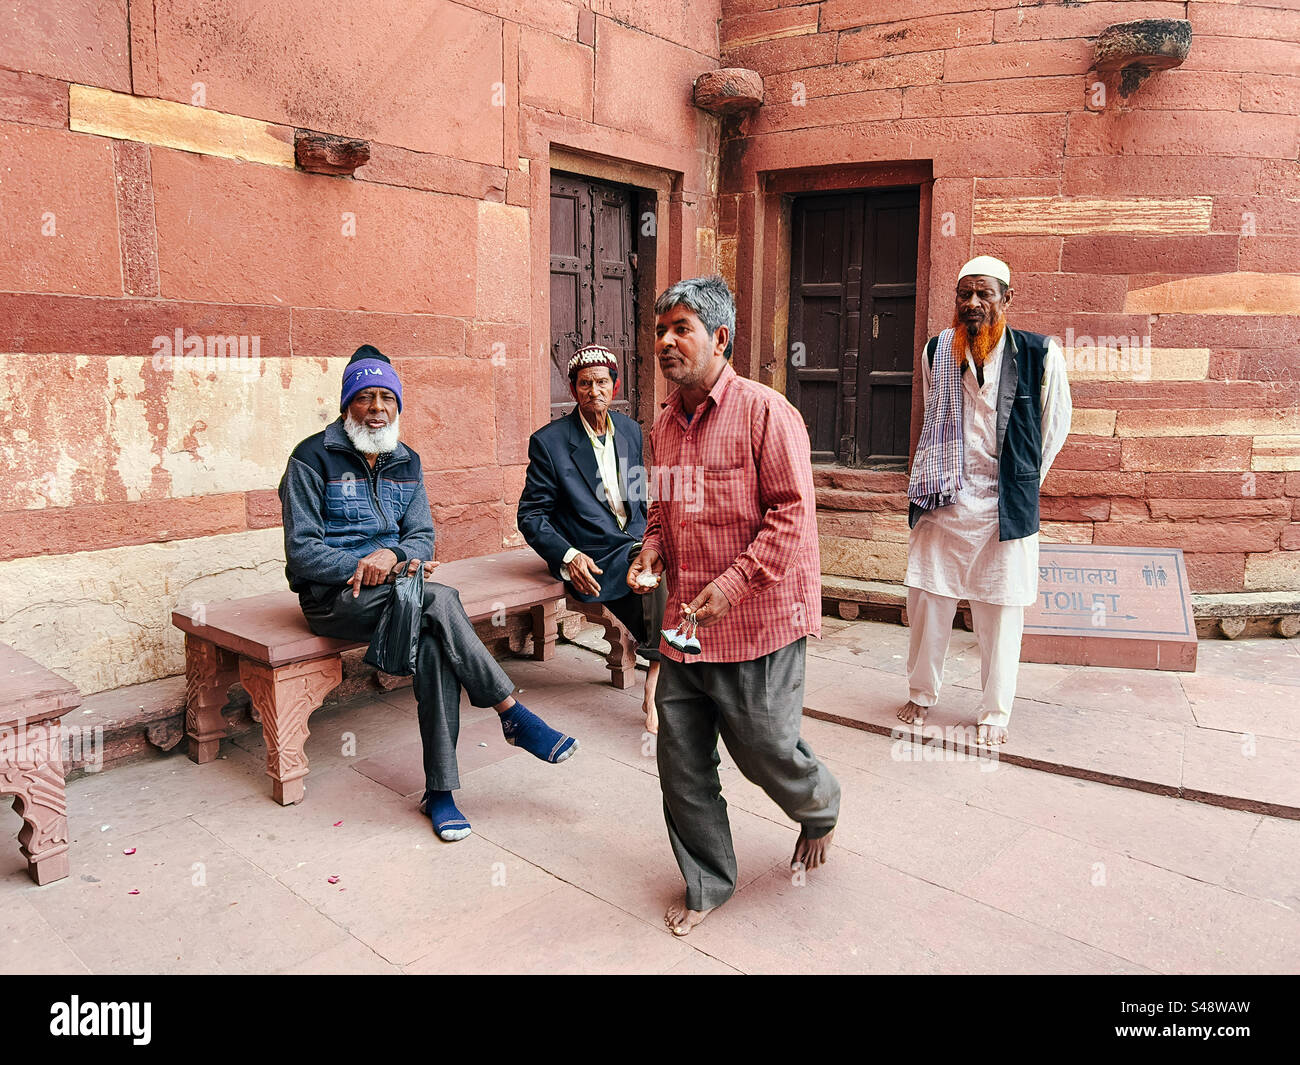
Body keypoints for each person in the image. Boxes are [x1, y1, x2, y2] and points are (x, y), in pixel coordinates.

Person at [278, 345, 578, 842]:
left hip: (401, 590)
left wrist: (393, 557)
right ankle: (512, 714)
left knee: (436, 641)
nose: (377, 408)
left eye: (387, 398)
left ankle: (441, 793)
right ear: (346, 404)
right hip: (336, 600)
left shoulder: (407, 461)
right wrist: (364, 564)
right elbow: (302, 554)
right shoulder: (310, 459)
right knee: (439, 600)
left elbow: (422, 536)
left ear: (398, 405)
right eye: (365, 397)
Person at [628, 276, 840, 937]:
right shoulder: (660, 425)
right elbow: (661, 509)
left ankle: (821, 804)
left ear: (720, 338)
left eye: (680, 328)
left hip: (760, 618)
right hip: (686, 624)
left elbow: (792, 514)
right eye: (659, 329)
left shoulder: (766, 413)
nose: (664, 340)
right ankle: (708, 878)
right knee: (681, 756)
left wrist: (736, 580)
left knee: (766, 749)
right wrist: (651, 550)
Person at [899, 255, 1072, 746]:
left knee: (999, 611)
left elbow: (1053, 426)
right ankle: (921, 693)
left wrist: (1022, 483)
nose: (972, 304)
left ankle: (994, 712)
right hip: (944, 498)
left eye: (984, 294)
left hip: (1002, 505)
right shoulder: (938, 351)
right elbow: (935, 416)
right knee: (928, 600)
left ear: (1007, 299)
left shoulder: (1042, 354)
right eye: (964, 295)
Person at [518, 344, 668, 733]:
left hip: (635, 541)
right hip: (593, 555)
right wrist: (568, 556)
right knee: (657, 587)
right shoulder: (550, 442)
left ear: (614, 386)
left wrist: (656, 537)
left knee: (673, 571)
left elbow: (638, 500)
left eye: (602, 382)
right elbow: (531, 516)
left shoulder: (632, 431)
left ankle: (659, 668)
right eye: (585, 384)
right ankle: (658, 680)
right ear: (573, 390)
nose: (594, 391)